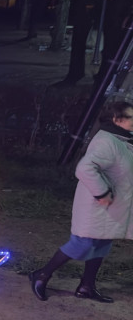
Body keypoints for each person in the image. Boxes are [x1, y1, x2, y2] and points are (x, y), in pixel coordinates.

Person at [30, 100, 133, 303]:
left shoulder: (120, 140)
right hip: (98, 206)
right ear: (116, 119)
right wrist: (102, 193)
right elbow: (85, 168)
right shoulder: (107, 141)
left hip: (110, 207)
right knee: (81, 244)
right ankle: (41, 274)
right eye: (131, 117)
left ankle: (86, 286)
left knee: (102, 243)